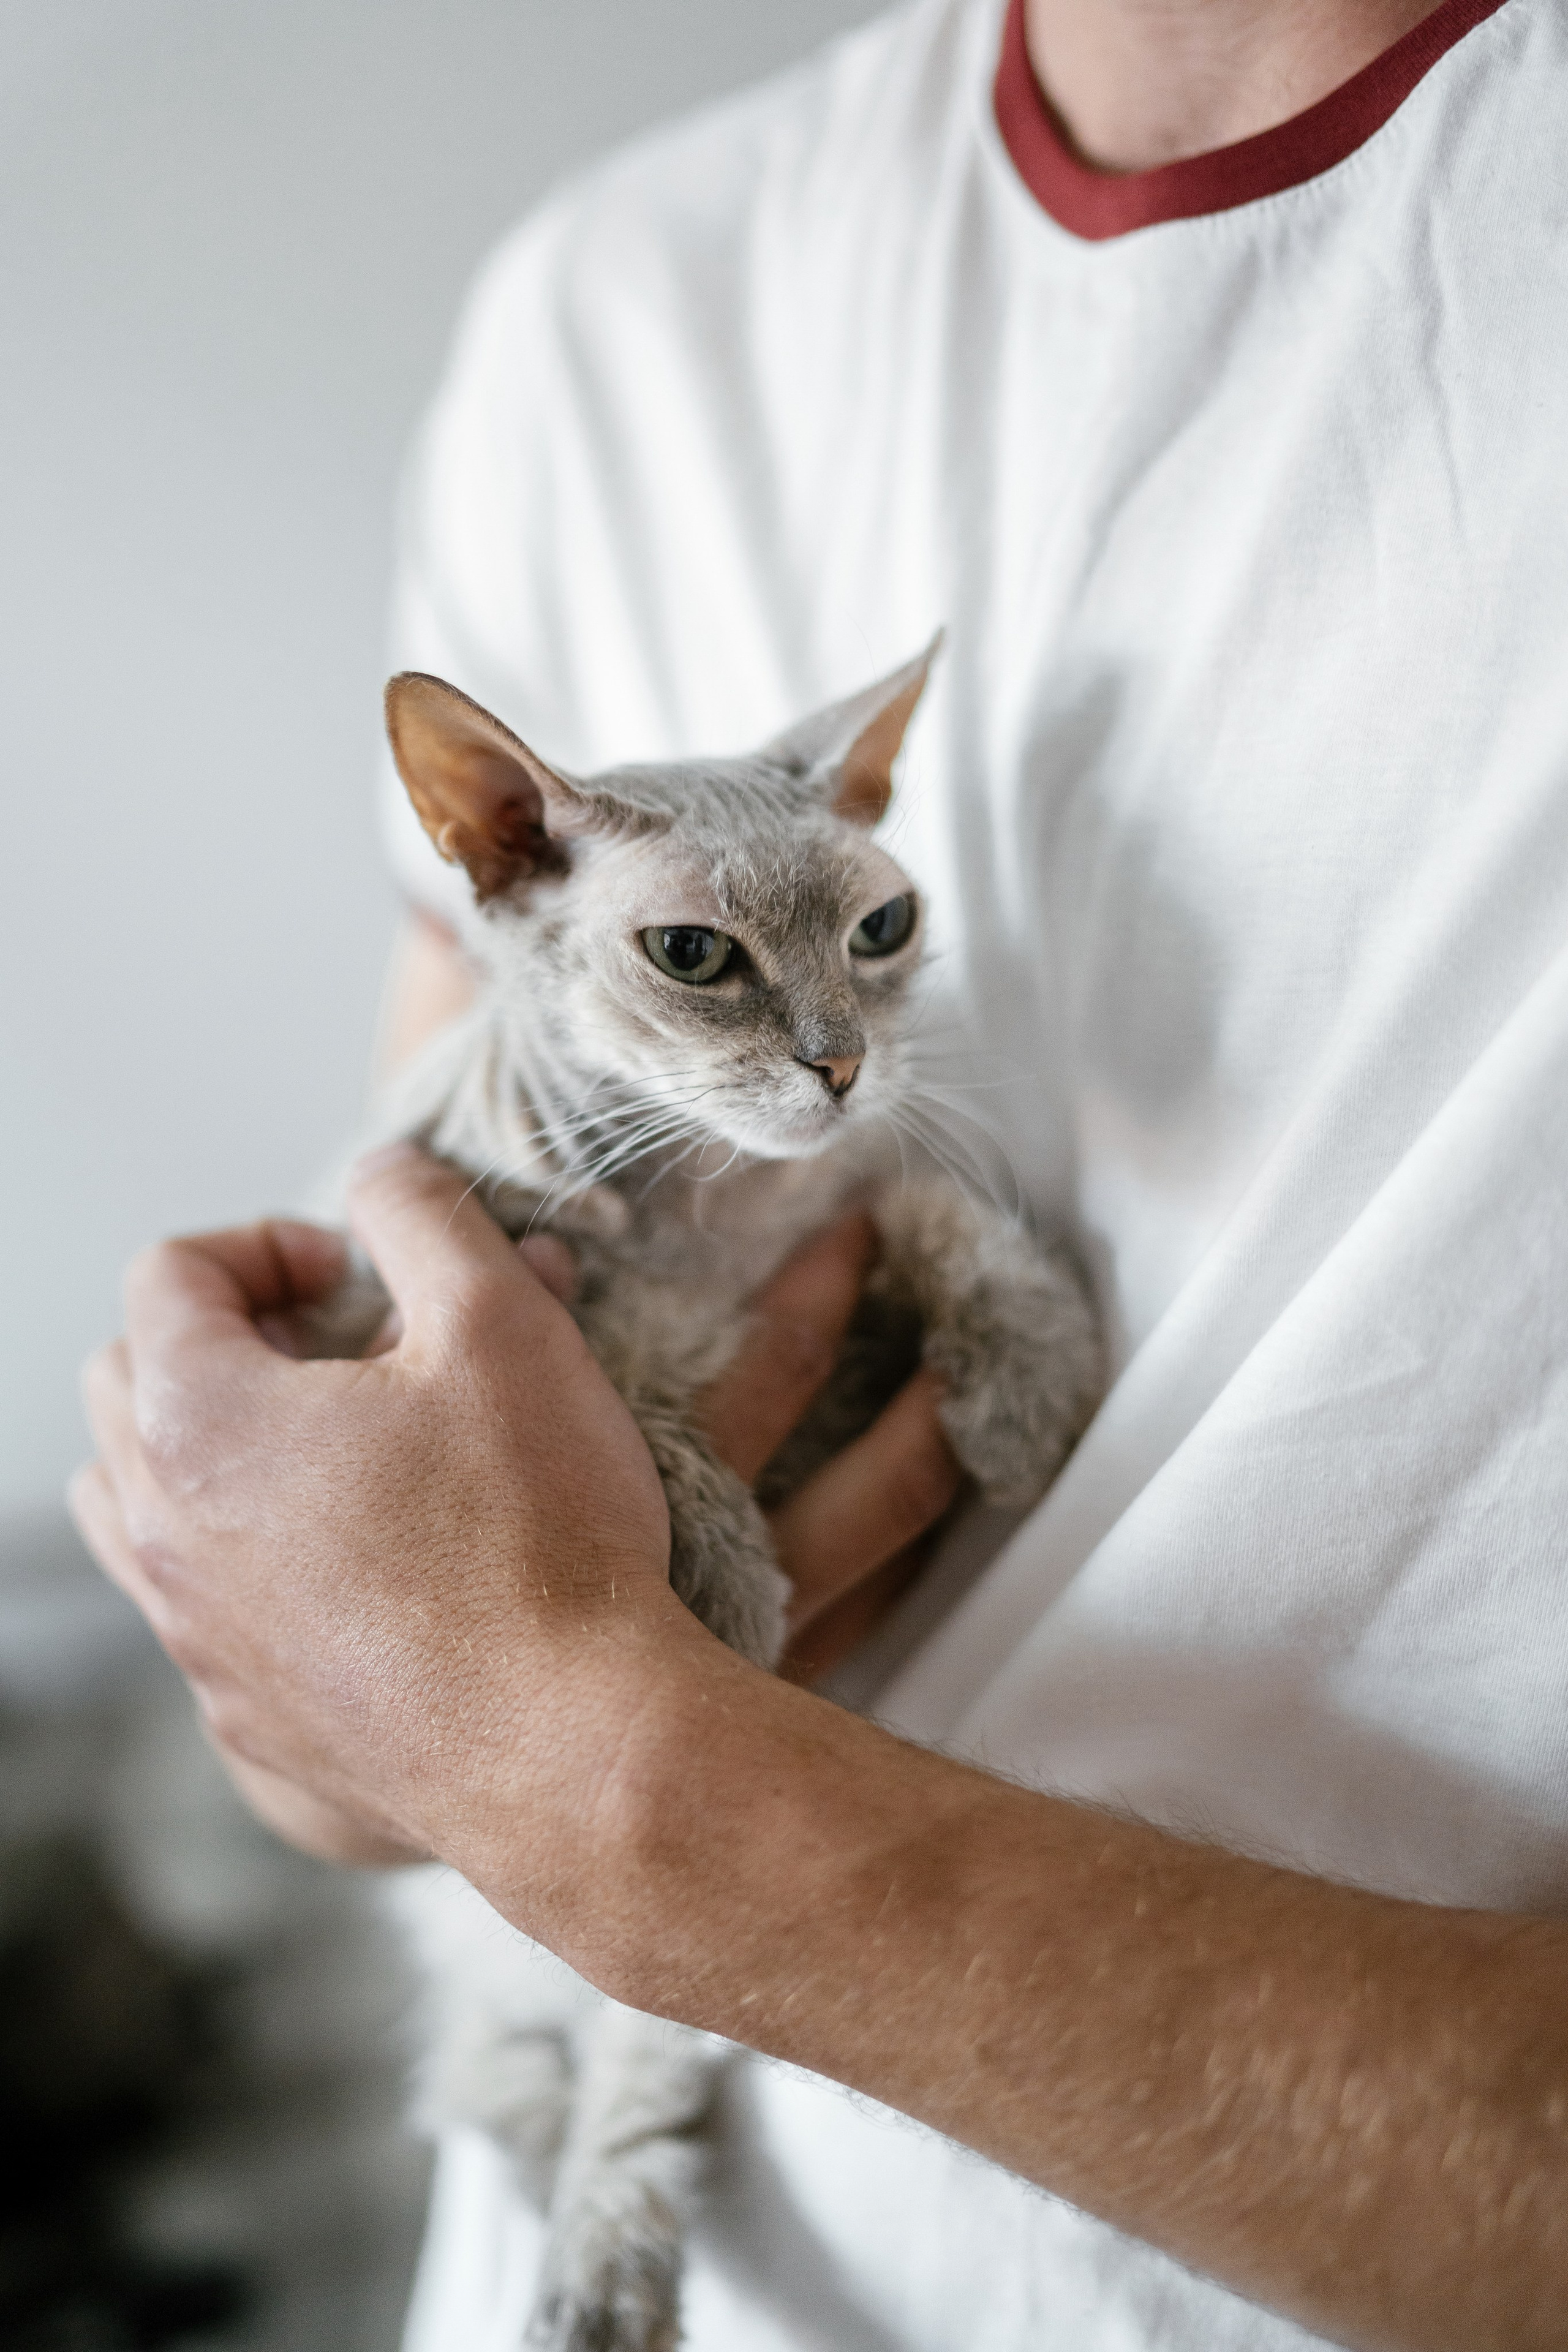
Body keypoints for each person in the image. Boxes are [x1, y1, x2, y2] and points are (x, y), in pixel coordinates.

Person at [71, 0, 1568, 2343]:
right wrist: (307, 1658)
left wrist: (601, 1777)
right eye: (713, 971)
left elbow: (488, 1698)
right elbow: (369, 1649)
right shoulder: (617, 301)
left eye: (873, 935)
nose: (834, 1042)